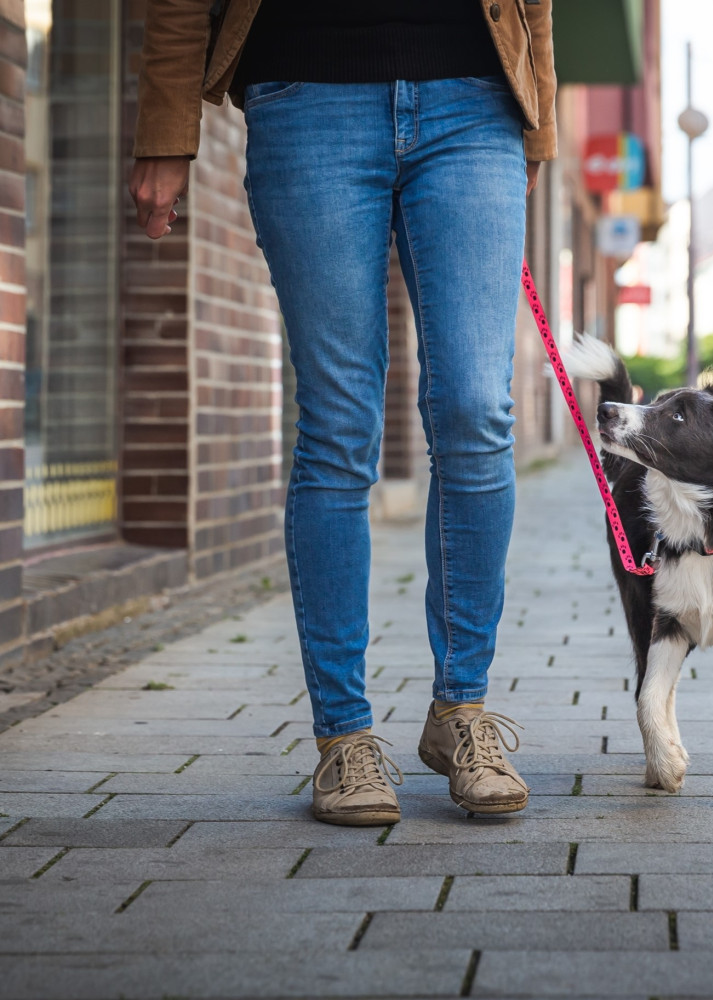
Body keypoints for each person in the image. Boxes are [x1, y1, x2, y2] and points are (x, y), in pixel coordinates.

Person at [129, 1, 557, 827]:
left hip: (473, 98)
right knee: (337, 425)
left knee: (476, 409)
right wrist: (163, 131)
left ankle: (461, 710)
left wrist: (534, 117)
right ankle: (344, 736)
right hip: (306, 90)